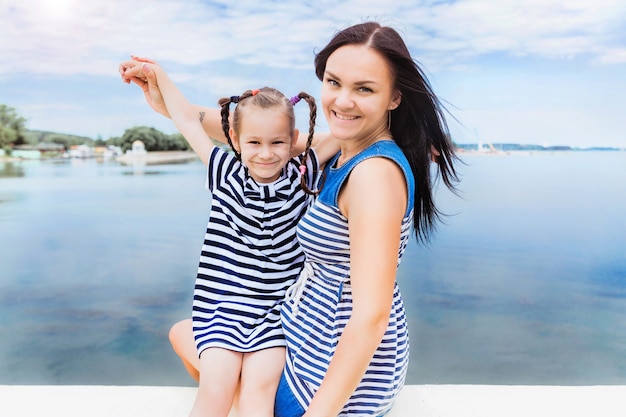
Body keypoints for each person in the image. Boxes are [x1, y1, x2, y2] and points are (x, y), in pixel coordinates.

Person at [120, 20, 459, 417]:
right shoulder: (344, 146)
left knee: (198, 345)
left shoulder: (373, 175)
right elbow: (251, 129)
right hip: (306, 335)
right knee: (193, 337)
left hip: (323, 377)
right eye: (334, 82)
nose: (343, 101)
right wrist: (167, 100)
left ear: (395, 97)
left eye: (364, 88)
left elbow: (371, 315)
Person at [120, 60, 339, 417]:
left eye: (277, 142)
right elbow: (188, 120)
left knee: (258, 393)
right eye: (254, 142)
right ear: (235, 139)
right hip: (222, 308)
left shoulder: (304, 175)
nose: (266, 153)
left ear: (293, 141)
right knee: (216, 388)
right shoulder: (224, 171)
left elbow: (348, 138)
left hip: (276, 316)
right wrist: (160, 75)